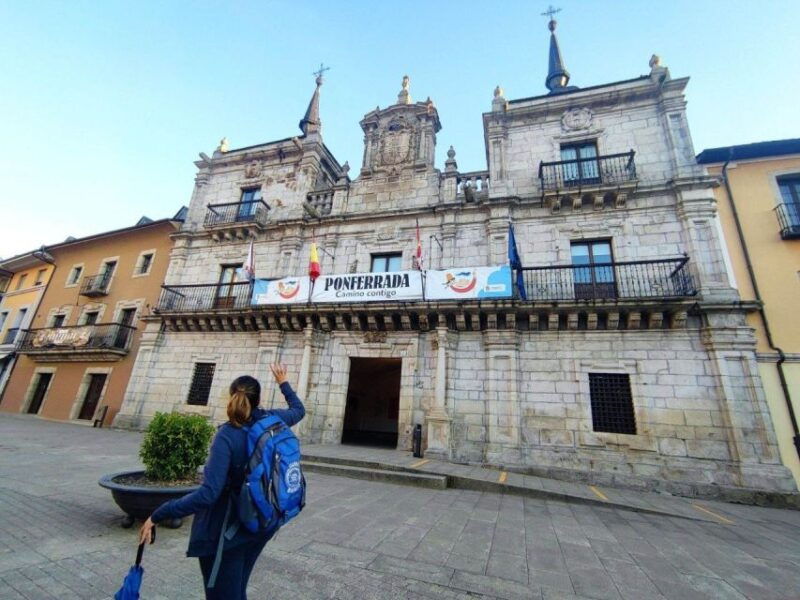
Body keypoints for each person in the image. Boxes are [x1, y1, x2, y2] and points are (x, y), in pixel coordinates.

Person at [138, 364, 305, 600]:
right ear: (258, 399)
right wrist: (283, 382)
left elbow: (209, 494)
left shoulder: (227, 435)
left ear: (232, 396)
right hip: (261, 522)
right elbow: (298, 410)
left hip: (227, 531)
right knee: (236, 591)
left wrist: (160, 513)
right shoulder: (273, 420)